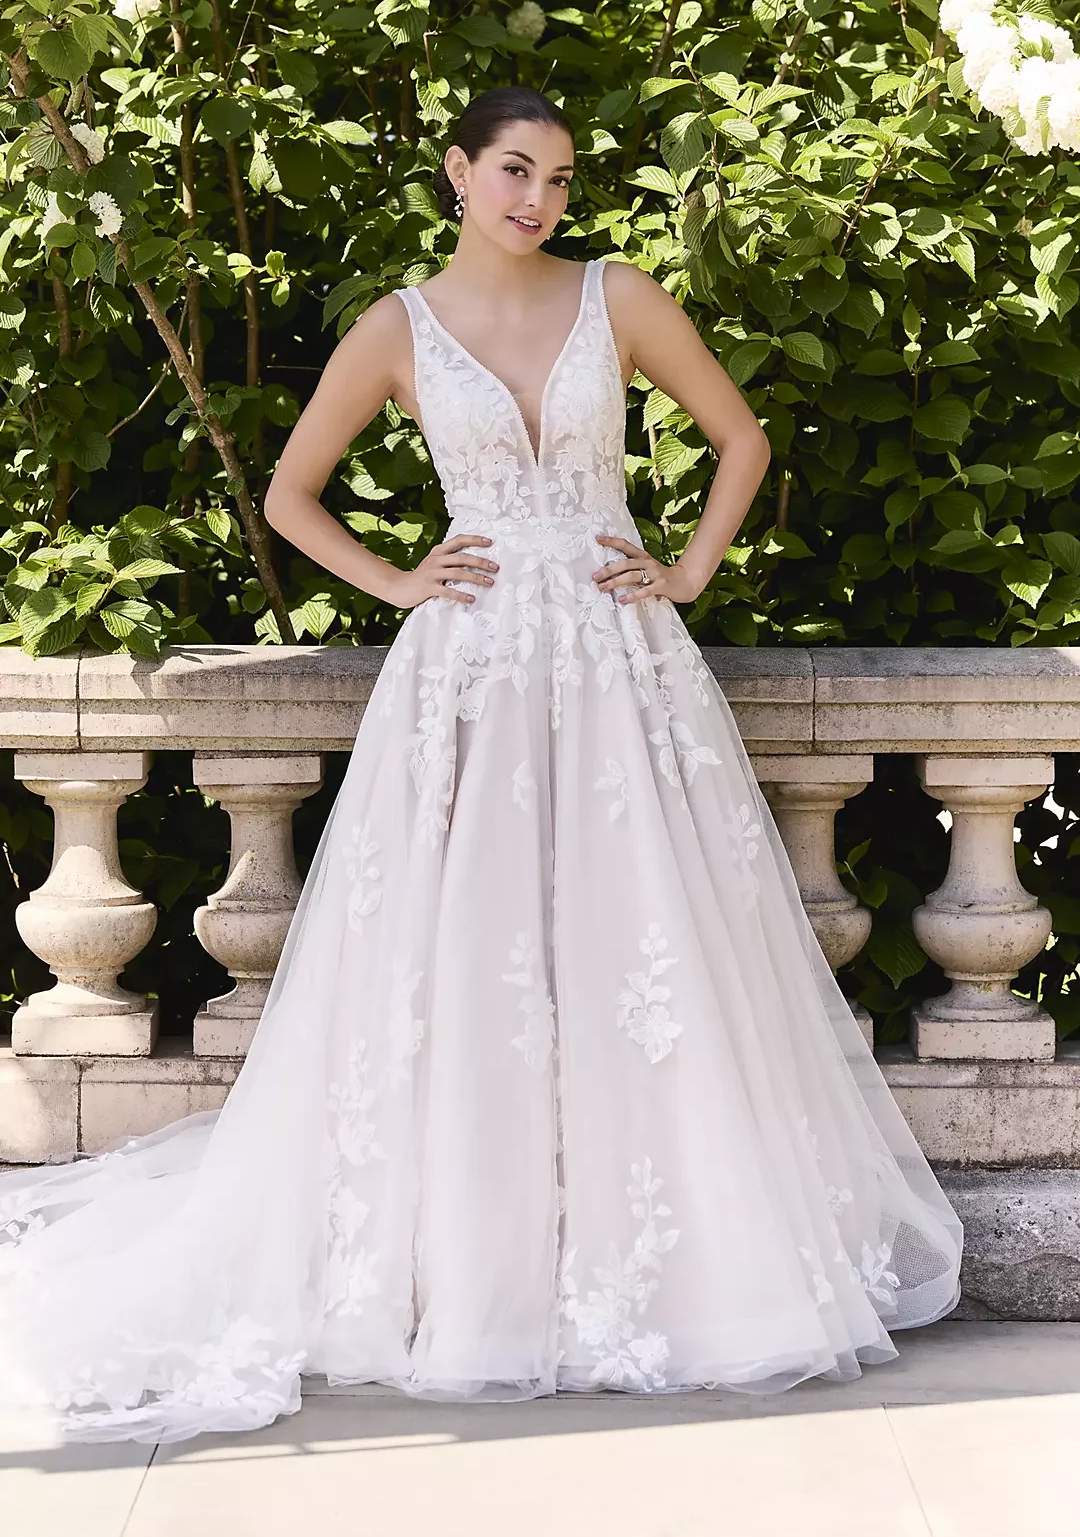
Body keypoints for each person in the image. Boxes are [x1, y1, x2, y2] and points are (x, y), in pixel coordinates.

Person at [0, 85, 962, 1446]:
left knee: (634, 944)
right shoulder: (398, 326)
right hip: (467, 676)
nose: (538, 200)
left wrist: (688, 568)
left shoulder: (617, 296)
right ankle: (466, 1269)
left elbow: (742, 439)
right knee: (468, 954)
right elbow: (289, 495)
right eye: (515, 170)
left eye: (559, 179)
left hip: (620, 670)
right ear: (459, 170)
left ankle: (661, 1267)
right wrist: (400, 582)